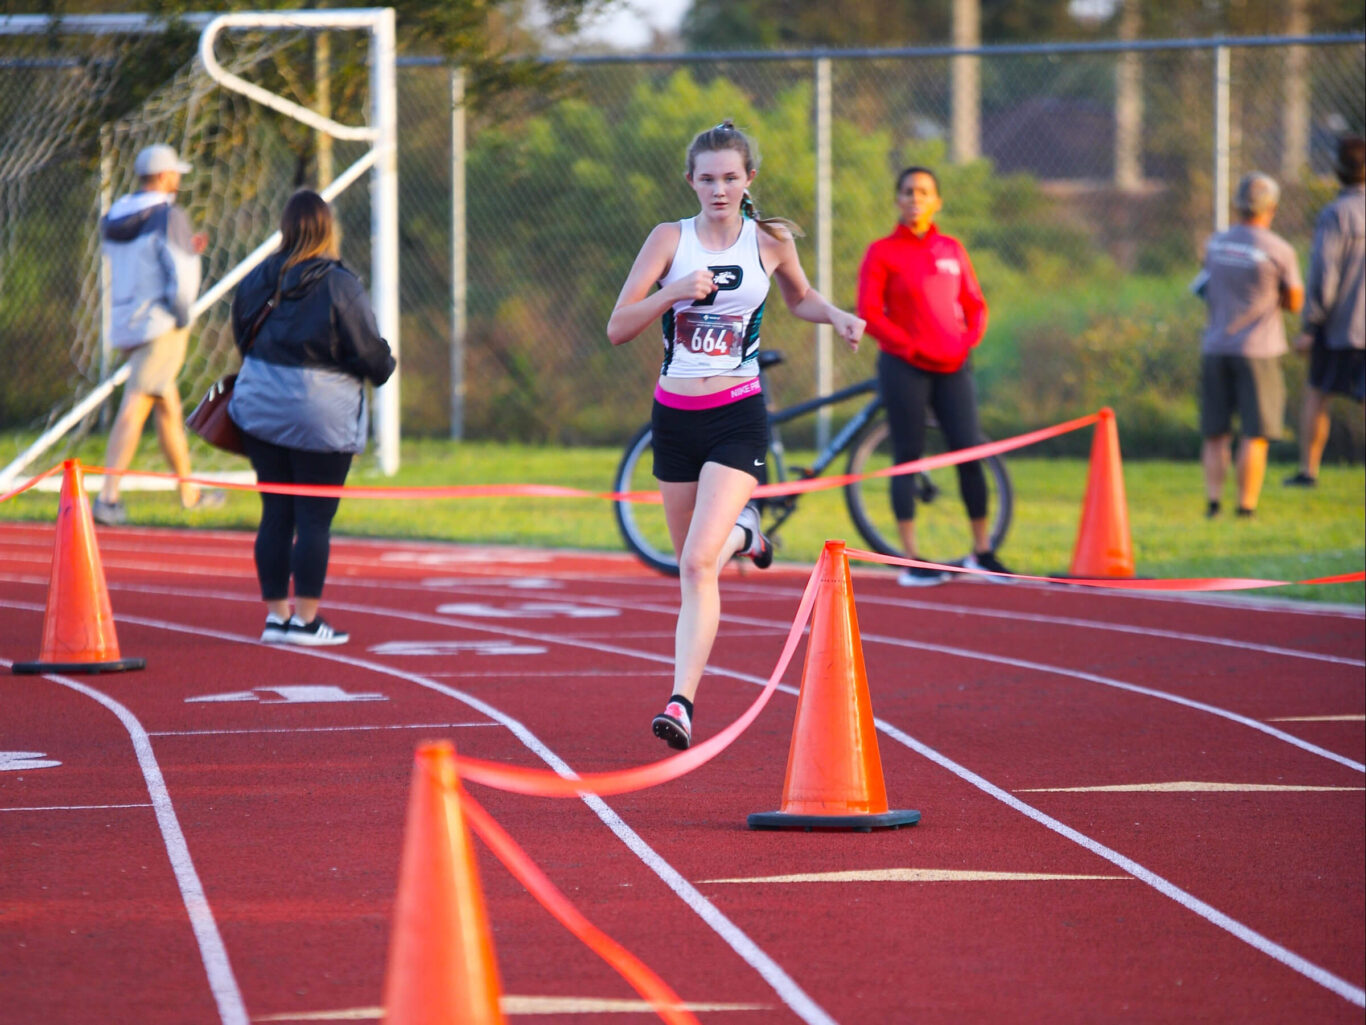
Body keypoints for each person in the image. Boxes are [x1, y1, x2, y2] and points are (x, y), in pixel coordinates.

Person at [607, 120, 864, 750]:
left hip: (736, 415)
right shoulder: (669, 239)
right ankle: (749, 532)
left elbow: (799, 299)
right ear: (690, 182)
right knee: (690, 566)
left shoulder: (769, 240)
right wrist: (671, 293)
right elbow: (617, 326)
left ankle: (681, 702)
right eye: (707, 178)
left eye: (730, 177)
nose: (718, 189)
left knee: (698, 562)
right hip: (673, 418)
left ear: (749, 179)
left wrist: (834, 315)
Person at [228, 190, 395, 646]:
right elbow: (367, 351)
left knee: (275, 512)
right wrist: (385, 364)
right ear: (327, 229)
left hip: (260, 406)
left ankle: (276, 618)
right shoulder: (341, 284)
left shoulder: (259, 276)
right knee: (314, 519)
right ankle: (305, 621)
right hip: (321, 412)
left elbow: (242, 334)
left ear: (285, 227)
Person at [856, 165, 1006, 586]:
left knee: (967, 454)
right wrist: (908, 347)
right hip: (905, 368)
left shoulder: (952, 249)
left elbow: (975, 304)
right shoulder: (882, 252)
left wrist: (966, 341)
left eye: (924, 191)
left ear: (937, 200)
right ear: (897, 199)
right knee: (908, 458)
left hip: (954, 367)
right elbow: (868, 312)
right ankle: (911, 562)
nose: (915, 198)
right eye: (907, 191)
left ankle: (982, 552)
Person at [93, 143, 220, 525]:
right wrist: (183, 314)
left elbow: (140, 259)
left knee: (168, 408)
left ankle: (190, 493)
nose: (178, 181)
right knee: (137, 404)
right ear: (164, 176)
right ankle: (107, 498)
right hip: (161, 323)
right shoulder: (169, 215)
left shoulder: (115, 214)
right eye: (175, 174)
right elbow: (179, 270)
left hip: (125, 321)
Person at [1195, 171, 1303, 518]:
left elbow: (1205, 287)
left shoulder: (1215, 244)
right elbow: (1295, 301)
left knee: (1215, 432)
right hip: (1259, 350)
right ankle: (1245, 507)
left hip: (1215, 346)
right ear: (1271, 207)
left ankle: (1213, 503)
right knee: (1254, 434)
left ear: (1237, 205)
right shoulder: (1279, 249)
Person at [1285, 135, 1365, 487]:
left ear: (1338, 170)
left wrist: (1311, 324)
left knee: (1318, 394)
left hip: (1339, 326)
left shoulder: (1335, 214)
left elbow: (1325, 273)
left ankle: (1309, 470)